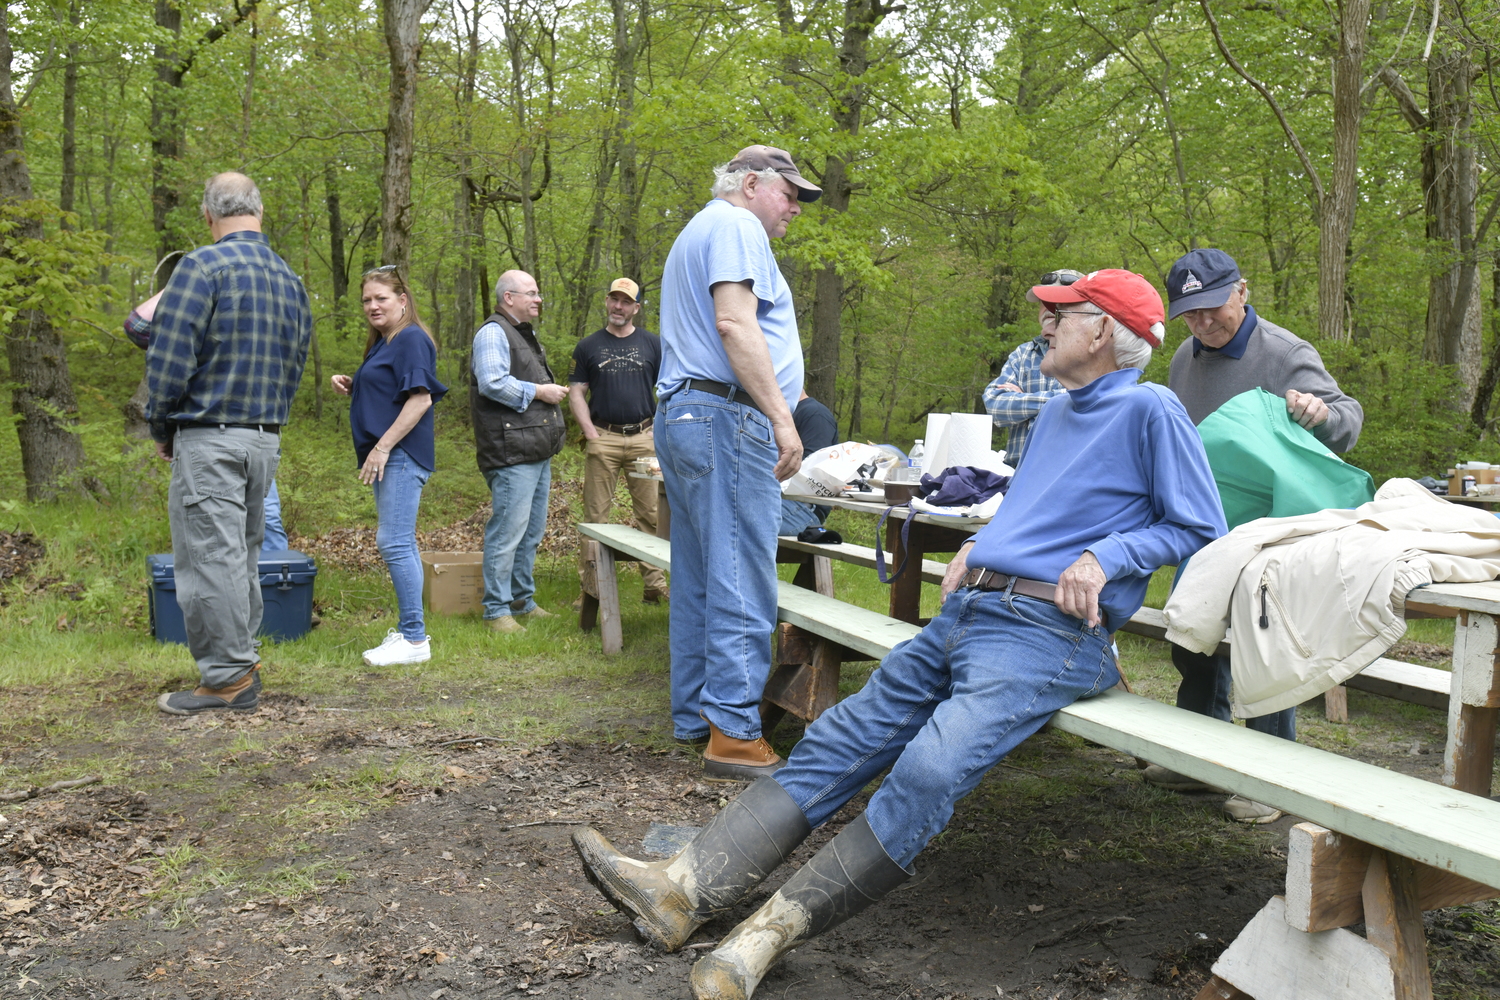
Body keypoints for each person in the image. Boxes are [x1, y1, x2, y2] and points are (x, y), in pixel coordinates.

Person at [573, 270, 1226, 1000]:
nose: (1045, 325)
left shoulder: (1151, 409)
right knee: (838, 738)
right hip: (970, 614)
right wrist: (986, 545)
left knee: (927, 770)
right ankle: (683, 890)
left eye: (1061, 315)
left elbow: (1200, 524)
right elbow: (1034, 509)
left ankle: (764, 937)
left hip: (1048, 634)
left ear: (1104, 331)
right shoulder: (1057, 415)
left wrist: (1109, 556)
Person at [1156, 247, 1366, 823]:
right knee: (1190, 639)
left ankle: (1271, 775)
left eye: (1212, 308)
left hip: (1271, 531)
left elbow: (1347, 417)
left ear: (1241, 292)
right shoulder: (1183, 359)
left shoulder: (1286, 352)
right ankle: (1198, 755)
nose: (1202, 324)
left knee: (1265, 644)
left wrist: (1320, 415)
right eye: (1190, 314)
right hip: (1205, 521)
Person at [653, 145, 821, 777]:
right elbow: (734, 323)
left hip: (690, 414)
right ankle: (734, 730)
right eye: (790, 195)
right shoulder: (735, 225)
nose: (795, 210)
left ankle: (698, 714)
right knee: (744, 574)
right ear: (751, 184)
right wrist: (783, 418)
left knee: (700, 572)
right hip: (724, 417)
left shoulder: (699, 228)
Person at [147, 172, 311, 716]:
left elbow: (169, 359)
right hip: (264, 439)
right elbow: (294, 365)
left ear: (207, 215)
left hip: (211, 437)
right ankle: (241, 660)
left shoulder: (201, 266)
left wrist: (161, 426)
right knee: (241, 557)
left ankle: (227, 678)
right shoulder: (290, 278)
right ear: (259, 212)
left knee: (208, 560)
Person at [330, 266, 447, 666]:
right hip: (389, 454)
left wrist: (381, 448)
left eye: (381, 298)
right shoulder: (386, 342)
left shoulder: (411, 338)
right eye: (366, 300)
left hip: (399, 454)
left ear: (402, 300)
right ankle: (412, 635)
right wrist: (357, 384)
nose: (372, 305)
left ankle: (414, 641)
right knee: (401, 542)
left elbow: (420, 400)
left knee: (393, 542)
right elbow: (393, 394)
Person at [127, 289, 290, 551]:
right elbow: (137, 328)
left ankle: (276, 589)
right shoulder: (191, 311)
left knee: (266, 523)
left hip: (255, 430)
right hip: (202, 434)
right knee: (213, 538)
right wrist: (181, 283)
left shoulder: (258, 307)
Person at [471, 270, 567, 634]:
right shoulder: (494, 332)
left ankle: (522, 602)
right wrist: (540, 392)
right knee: (508, 532)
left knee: (531, 533)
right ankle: (496, 612)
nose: (538, 298)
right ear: (508, 297)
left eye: (538, 293)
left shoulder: (523, 334)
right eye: (531, 293)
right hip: (510, 453)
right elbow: (492, 383)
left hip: (534, 450)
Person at [567, 277, 669, 604]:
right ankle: (591, 590)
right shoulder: (589, 346)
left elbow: (670, 389)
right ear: (607, 302)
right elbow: (576, 392)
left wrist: (659, 428)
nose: (618, 306)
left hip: (644, 438)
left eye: (626, 301)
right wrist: (590, 433)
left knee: (651, 515)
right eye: (614, 299)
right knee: (596, 517)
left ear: (636, 308)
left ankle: (654, 584)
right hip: (604, 438)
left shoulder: (654, 344)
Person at [981, 268, 1084, 467]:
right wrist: (1060, 398)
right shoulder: (1024, 353)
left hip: (1066, 471)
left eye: (1057, 301)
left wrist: (1022, 400)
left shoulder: (1093, 350)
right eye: (1043, 302)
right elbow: (994, 406)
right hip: (1016, 473)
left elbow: (1093, 401)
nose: (1047, 308)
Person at [776, 391, 838, 537]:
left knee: (736, 522)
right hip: (779, 502)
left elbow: (811, 474)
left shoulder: (815, 414)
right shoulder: (782, 414)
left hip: (803, 509)